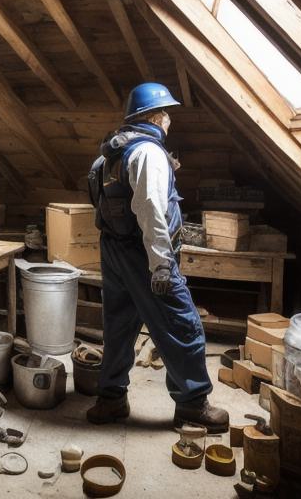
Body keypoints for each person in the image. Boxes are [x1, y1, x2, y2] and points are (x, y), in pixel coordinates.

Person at [85, 82, 228, 433]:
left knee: (118, 325)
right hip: (144, 254)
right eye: (166, 114)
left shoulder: (110, 153)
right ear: (154, 116)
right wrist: (161, 264)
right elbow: (151, 209)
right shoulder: (148, 152)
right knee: (180, 324)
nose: (169, 121)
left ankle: (111, 398)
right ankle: (193, 404)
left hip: (114, 250)